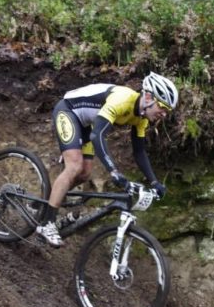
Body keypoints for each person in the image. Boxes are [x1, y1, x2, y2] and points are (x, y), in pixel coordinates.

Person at [36, 72, 179, 247]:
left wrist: (155, 181)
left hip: (86, 125)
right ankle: (46, 223)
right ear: (148, 97)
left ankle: (42, 204)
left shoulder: (141, 119)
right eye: (163, 107)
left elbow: (139, 152)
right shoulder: (122, 99)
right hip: (68, 111)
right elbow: (98, 135)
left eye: (168, 111)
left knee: (84, 174)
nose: (164, 114)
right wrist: (113, 171)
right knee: (74, 166)